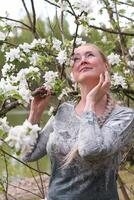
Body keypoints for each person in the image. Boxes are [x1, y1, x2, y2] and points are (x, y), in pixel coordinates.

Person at [23, 44, 134, 200]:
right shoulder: (64, 111)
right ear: (73, 74)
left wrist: (90, 103)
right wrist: (35, 113)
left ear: (106, 65)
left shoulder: (123, 116)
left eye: (89, 55)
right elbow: (28, 154)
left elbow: (90, 150)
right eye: (76, 58)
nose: (82, 60)